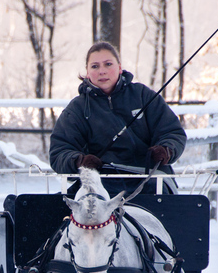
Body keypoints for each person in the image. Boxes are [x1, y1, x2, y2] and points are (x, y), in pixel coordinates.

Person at [49, 41, 187, 195]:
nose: (102, 71)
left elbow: (172, 132)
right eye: (95, 66)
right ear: (87, 72)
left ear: (120, 67)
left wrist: (166, 150)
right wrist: (80, 161)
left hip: (150, 180)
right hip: (100, 184)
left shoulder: (143, 95)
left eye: (108, 64)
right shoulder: (77, 109)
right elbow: (59, 152)